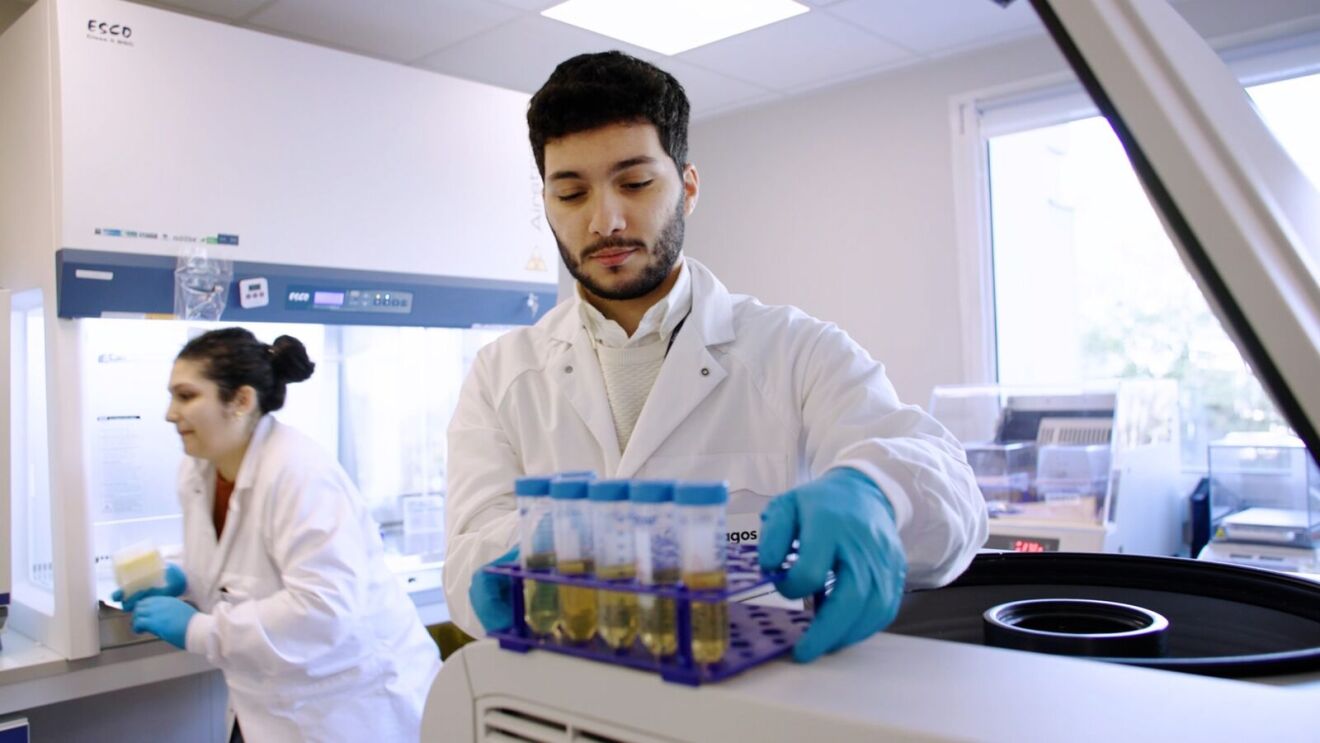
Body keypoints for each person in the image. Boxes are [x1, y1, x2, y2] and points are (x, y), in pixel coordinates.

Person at [444, 52, 988, 663]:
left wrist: (879, 493)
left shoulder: (795, 350)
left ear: (689, 187)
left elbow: (953, 496)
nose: (606, 220)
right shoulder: (501, 375)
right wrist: (533, 552)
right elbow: (468, 554)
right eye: (571, 193)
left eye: (635, 183)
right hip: (570, 705)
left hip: (758, 706)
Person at [115, 328, 440, 742]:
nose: (170, 413)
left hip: (349, 709)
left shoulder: (300, 475)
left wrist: (199, 630)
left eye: (186, 396)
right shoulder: (199, 470)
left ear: (242, 400)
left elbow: (323, 610)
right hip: (270, 706)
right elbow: (234, 559)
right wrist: (180, 574)